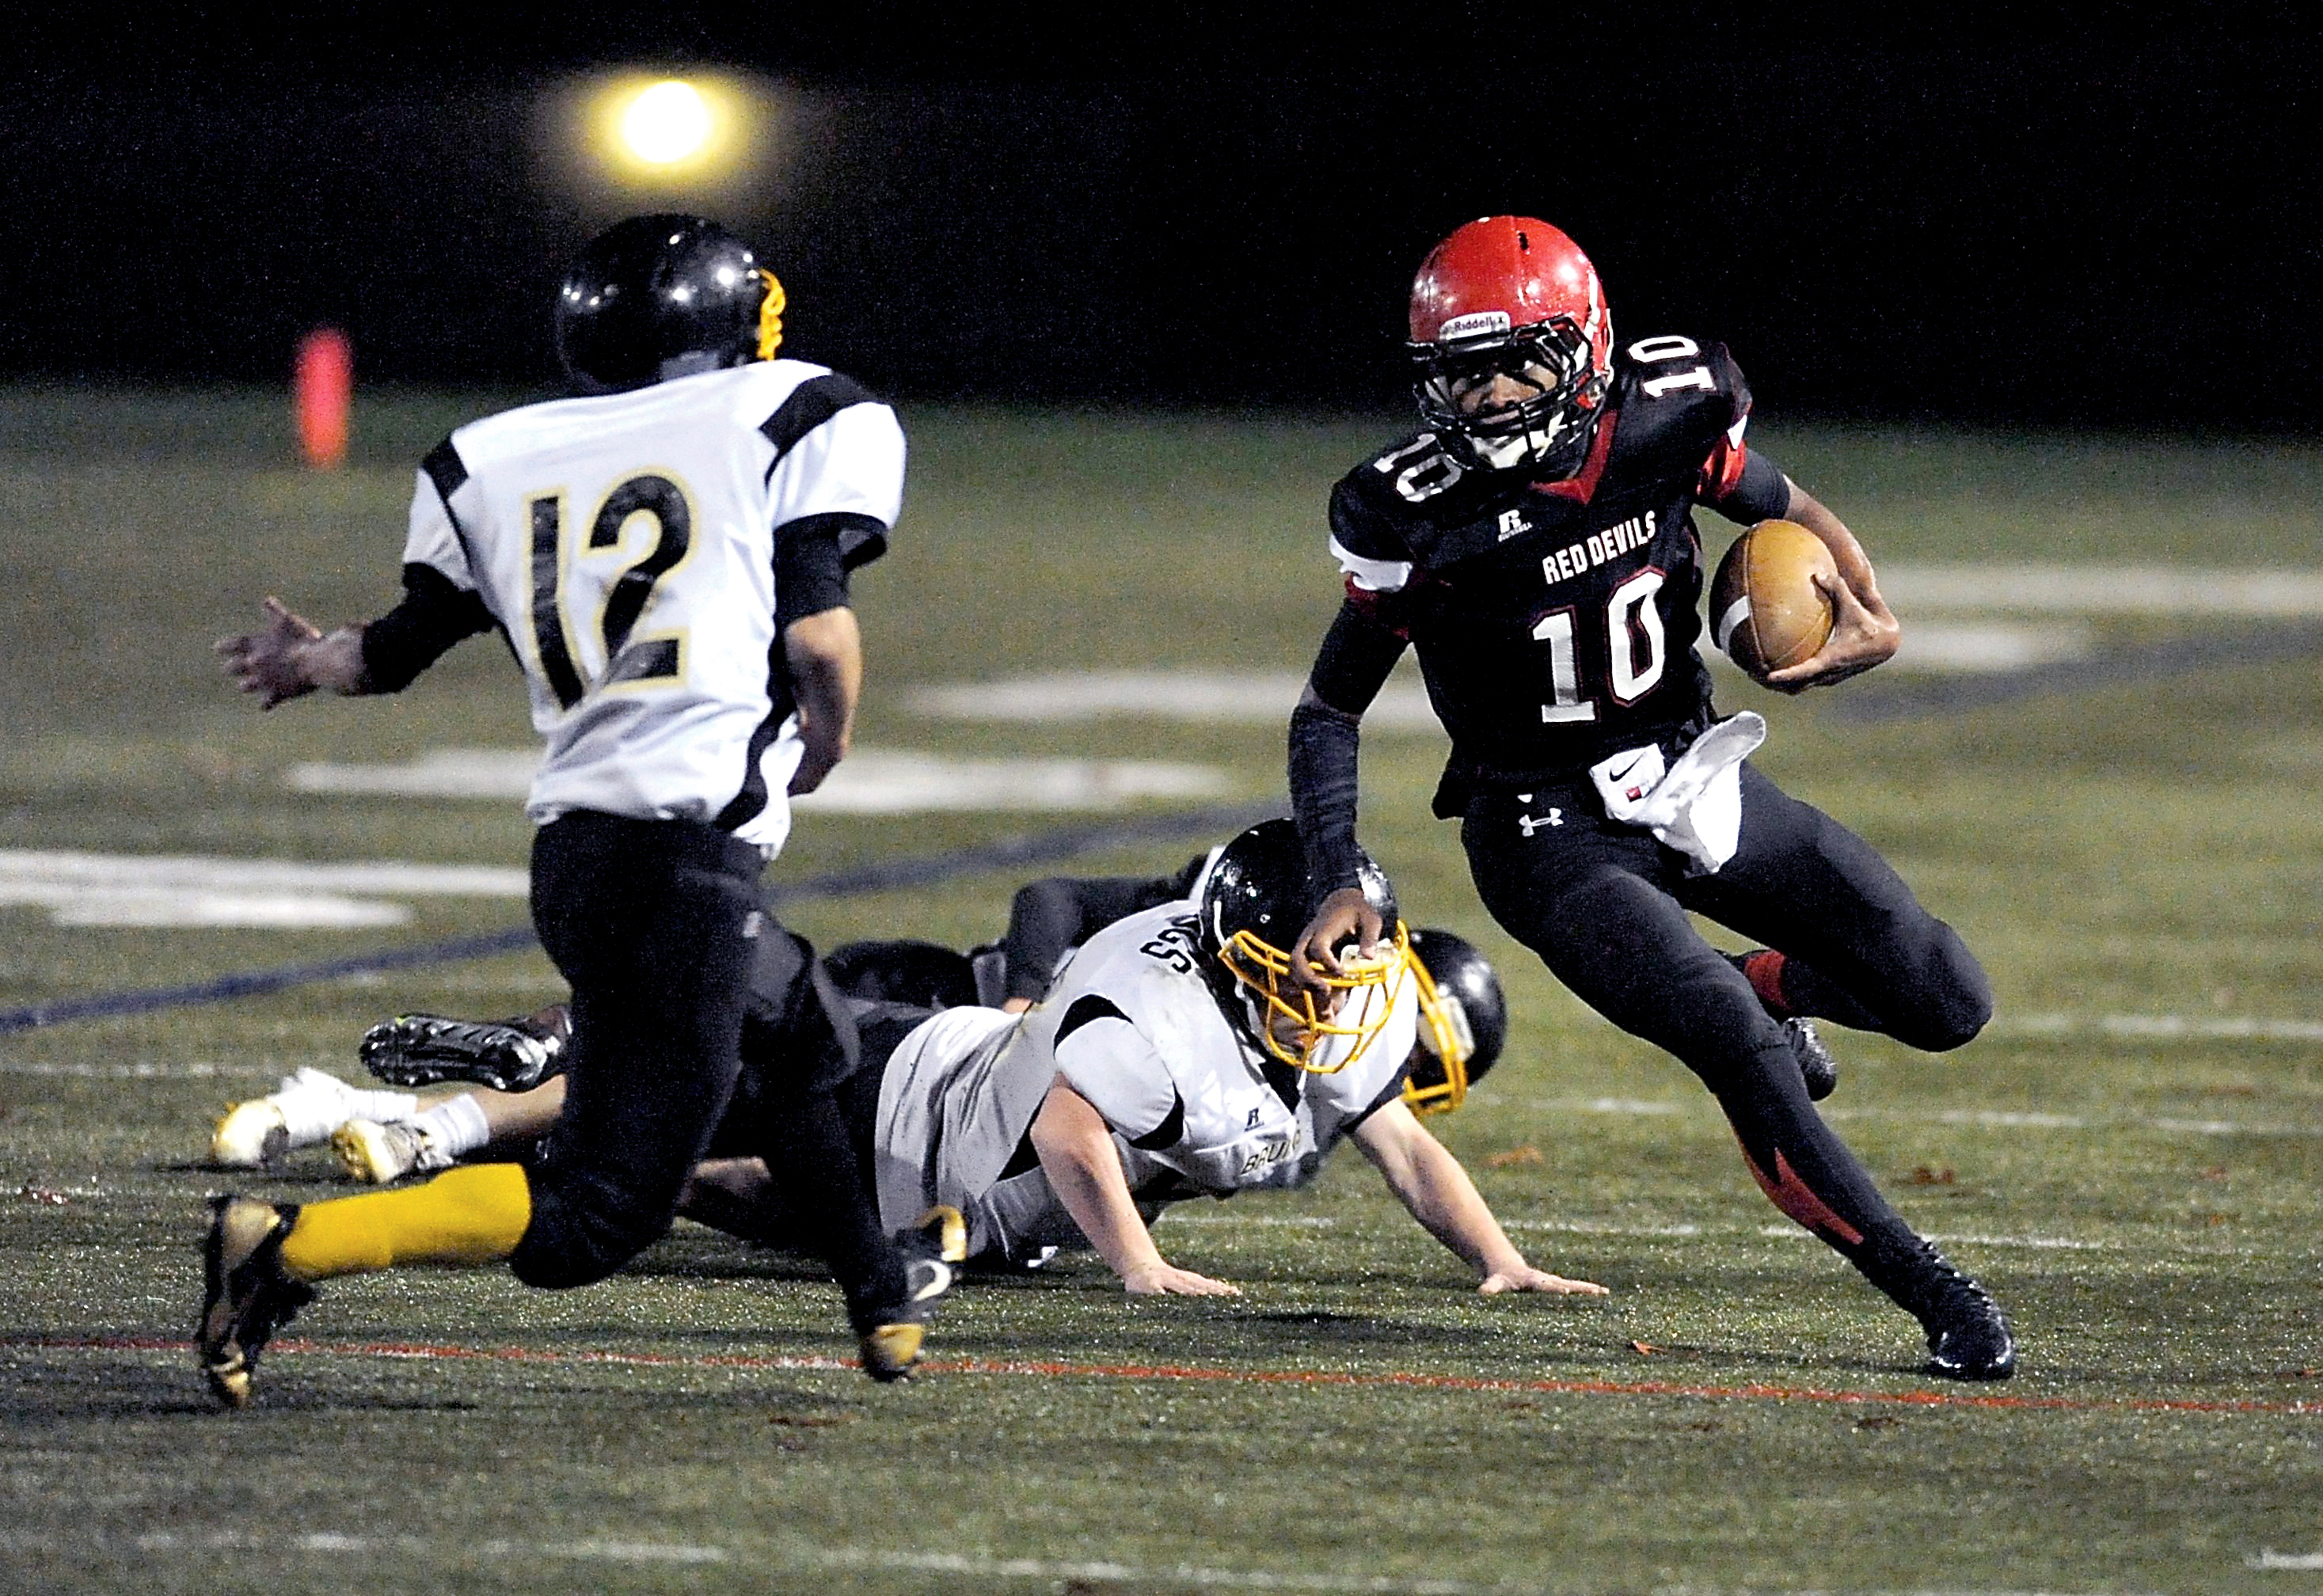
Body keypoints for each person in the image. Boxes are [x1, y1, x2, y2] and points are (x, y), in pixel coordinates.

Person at [200, 213, 950, 1406]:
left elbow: (391, 651)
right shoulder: (795, 411)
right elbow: (818, 631)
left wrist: (304, 661)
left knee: (803, 1035)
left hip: (582, 859)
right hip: (682, 865)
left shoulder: (499, 454)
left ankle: (878, 1290)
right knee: (596, 1218)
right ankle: (287, 1247)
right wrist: (829, 736)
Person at [1283, 215, 2013, 1379]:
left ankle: (1766, 981)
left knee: (1944, 995)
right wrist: (1339, 874)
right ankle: (1933, 1292)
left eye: (1515, 366)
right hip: (1544, 831)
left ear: (1584, 350)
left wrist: (1864, 607)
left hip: (1690, 770)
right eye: (1462, 374)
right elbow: (1328, 709)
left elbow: (1784, 505)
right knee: (1735, 1046)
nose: (1488, 398)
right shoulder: (1412, 508)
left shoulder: (1670, 411)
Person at [206, 824, 1599, 1298]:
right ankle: (463, 1109)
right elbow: (1070, 1130)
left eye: (1344, 967)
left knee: (673, 1182)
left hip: (967, 1193)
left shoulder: (1340, 1008)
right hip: (916, 1089)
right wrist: (1139, 1265)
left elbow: (1404, 1141)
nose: (1327, 995)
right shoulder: (1153, 995)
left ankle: (497, 1123)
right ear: (1232, 948)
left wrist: (1500, 1258)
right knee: (673, 1128)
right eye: (1301, 967)